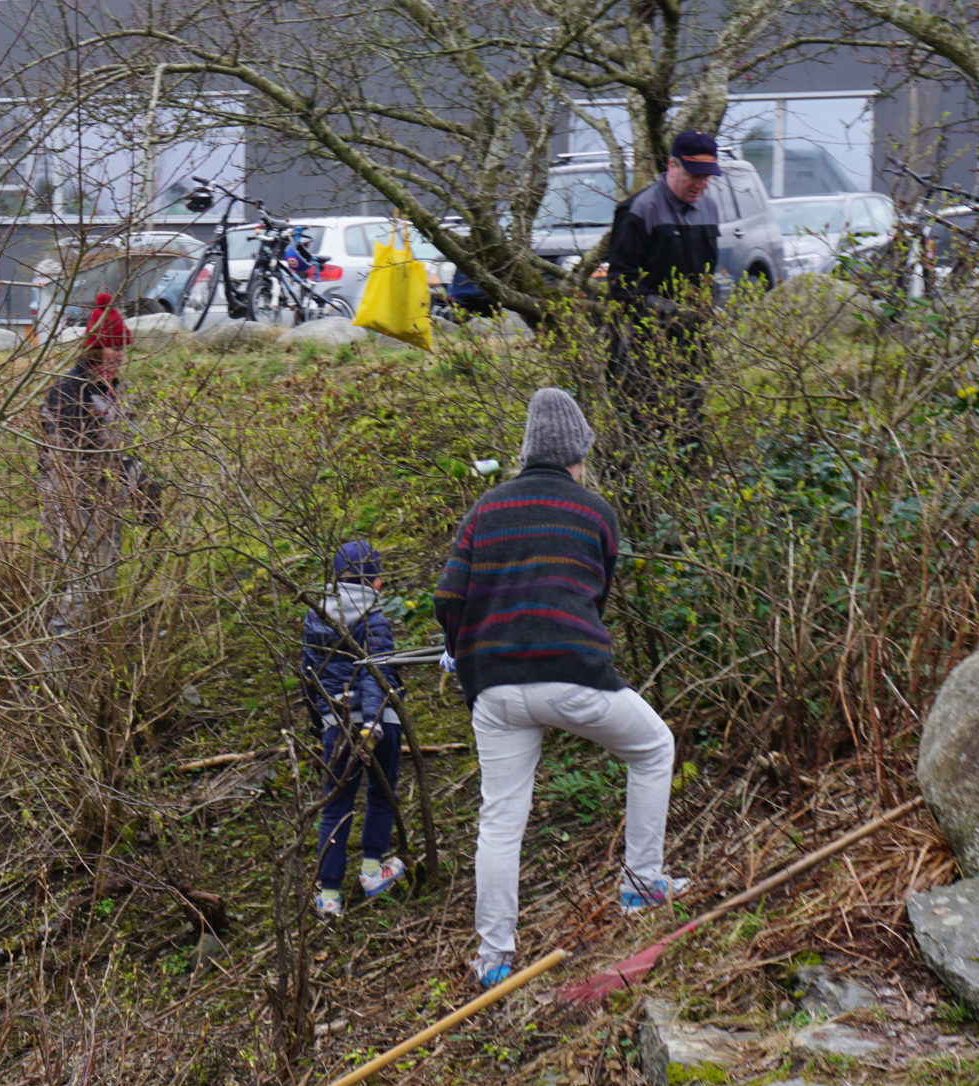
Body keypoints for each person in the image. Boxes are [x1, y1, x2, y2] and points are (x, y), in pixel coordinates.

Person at [435, 388, 683, 988]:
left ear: (526, 452)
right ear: (579, 454)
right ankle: (641, 885)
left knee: (500, 820)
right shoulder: (596, 512)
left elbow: (448, 597)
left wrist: (460, 649)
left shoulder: (485, 509)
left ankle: (494, 957)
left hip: (495, 690)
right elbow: (594, 595)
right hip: (574, 675)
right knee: (653, 748)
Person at [300, 540, 407, 917]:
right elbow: (377, 672)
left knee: (336, 807)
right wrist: (372, 722)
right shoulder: (374, 617)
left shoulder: (315, 618)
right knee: (382, 795)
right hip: (379, 723)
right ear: (374, 581)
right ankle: (372, 872)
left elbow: (308, 677)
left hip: (336, 725)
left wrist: (321, 724)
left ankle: (330, 897)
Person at [604, 130, 724, 437]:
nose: (701, 184)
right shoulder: (639, 210)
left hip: (693, 341)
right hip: (642, 341)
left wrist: (709, 309)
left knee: (691, 426)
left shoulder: (710, 208)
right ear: (672, 165)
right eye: (693, 174)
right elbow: (620, 283)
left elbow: (708, 274)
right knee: (643, 427)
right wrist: (668, 311)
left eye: (707, 176)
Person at [39, 294, 140, 640]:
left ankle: (90, 653)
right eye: (113, 347)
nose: (120, 355)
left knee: (103, 578)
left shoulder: (115, 389)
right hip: (73, 499)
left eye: (122, 348)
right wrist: (123, 477)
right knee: (85, 581)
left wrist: (142, 486)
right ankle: (56, 660)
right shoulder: (69, 390)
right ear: (95, 349)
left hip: (108, 499)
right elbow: (76, 453)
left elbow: (128, 444)